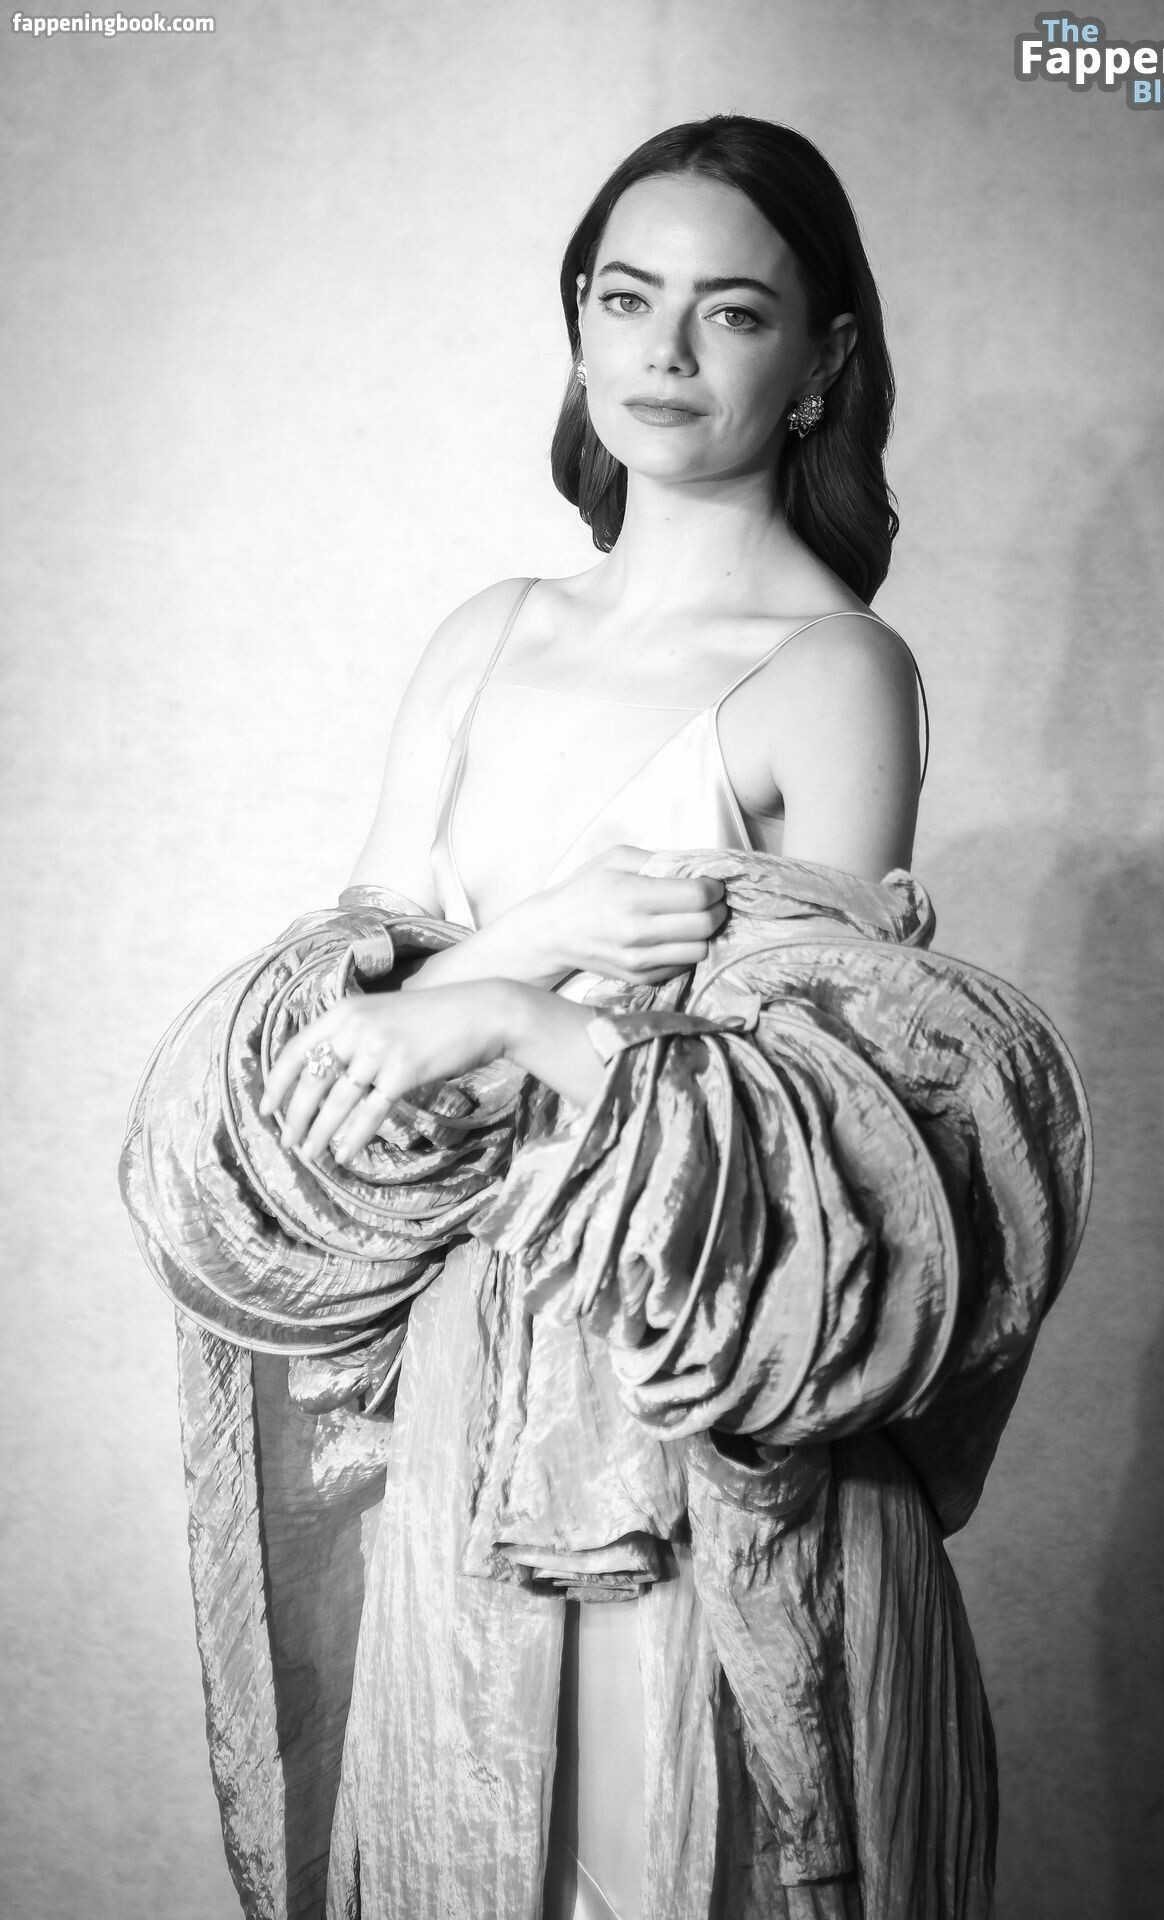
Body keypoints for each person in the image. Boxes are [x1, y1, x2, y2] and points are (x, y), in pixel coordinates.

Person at [123, 115, 1090, 1920]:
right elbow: (329, 1063)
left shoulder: (837, 673)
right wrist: (545, 940)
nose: (667, 351)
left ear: (821, 362)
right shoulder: (487, 635)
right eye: (628, 298)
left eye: (734, 312)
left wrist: (502, 1011)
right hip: (469, 1409)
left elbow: (817, 1154)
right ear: (577, 323)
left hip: (693, 1414)